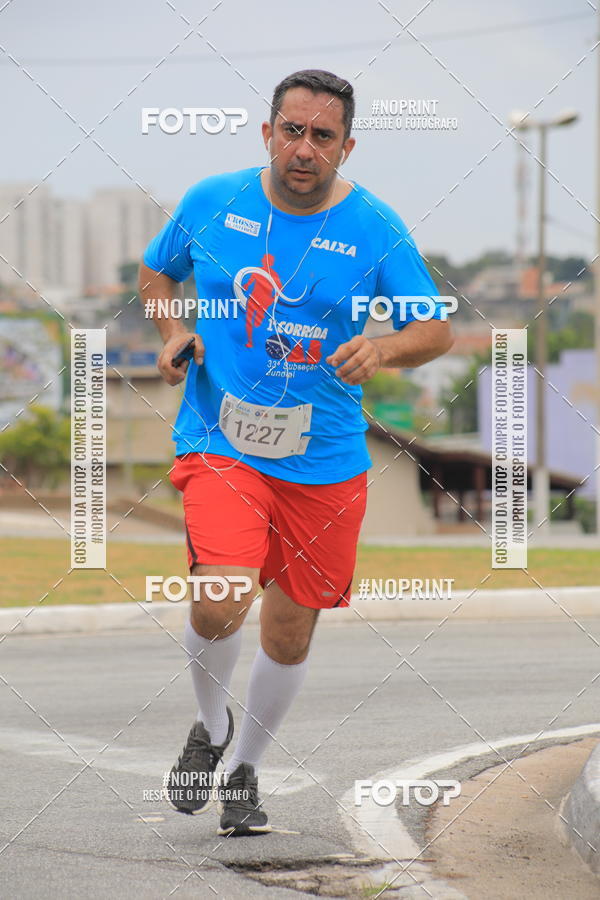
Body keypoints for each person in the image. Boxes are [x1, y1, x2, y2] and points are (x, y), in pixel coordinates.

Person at [139, 68, 453, 837]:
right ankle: (209, 730)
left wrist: (381, 351)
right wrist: (173, 331)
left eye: (321, 136)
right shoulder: (213, 200)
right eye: (291, 130)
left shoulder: (378, 229)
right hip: (221, 442)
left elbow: (434, 330)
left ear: (347, 147)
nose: (302, 148)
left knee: (289, 630)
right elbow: (156, 274)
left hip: (325, 460)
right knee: (221, 598)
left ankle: (245, 767)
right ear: (267, 133)